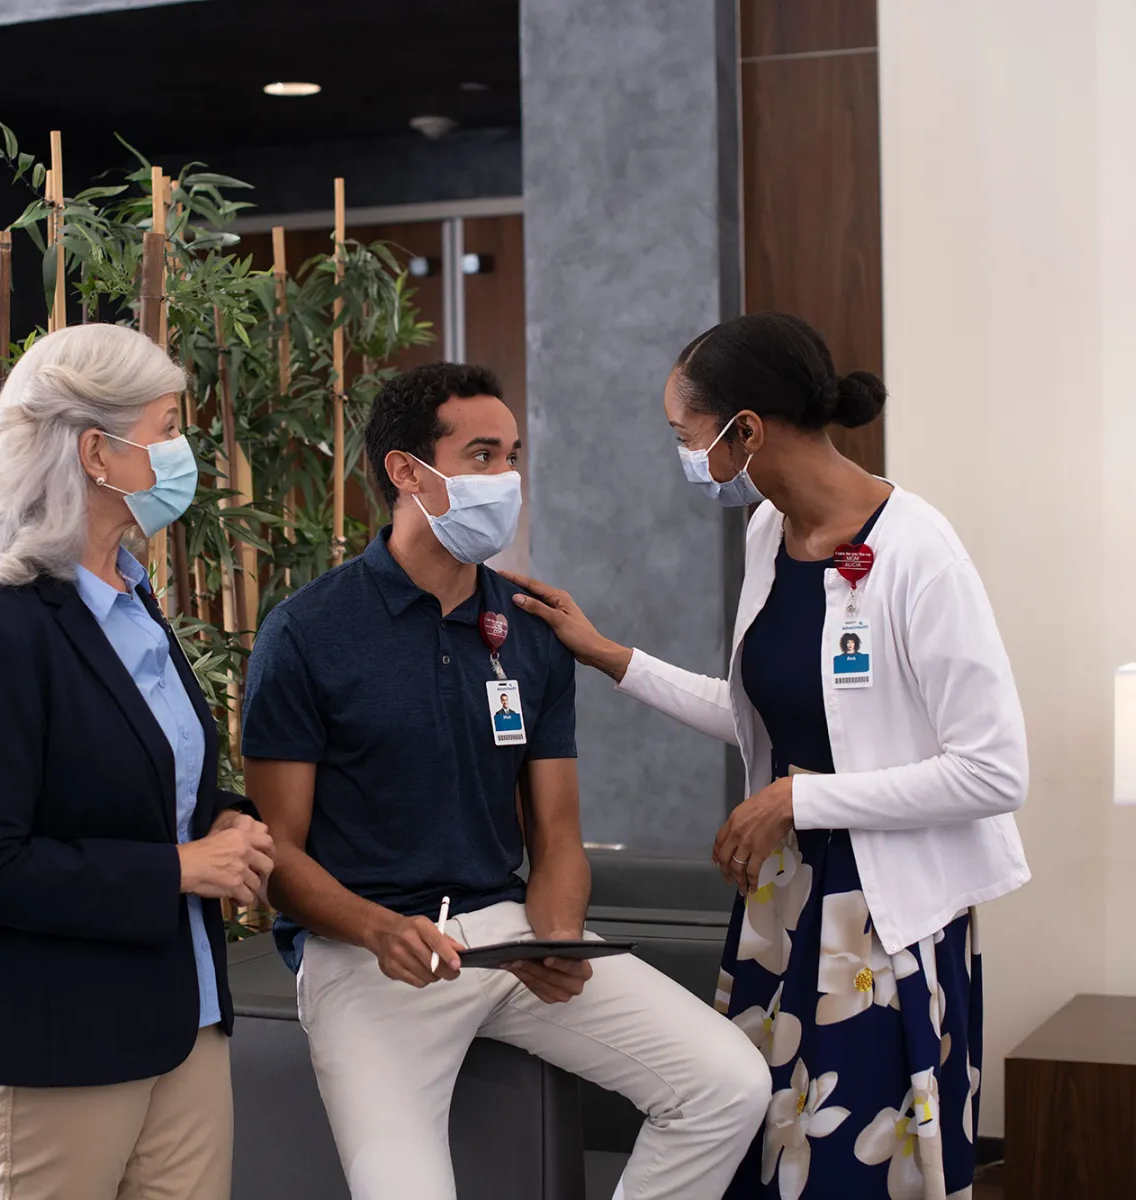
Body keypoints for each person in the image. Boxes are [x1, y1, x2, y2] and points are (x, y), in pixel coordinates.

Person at [505, 313, 1029, 1200]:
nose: (684, 456)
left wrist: (797, 800)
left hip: (882, 922)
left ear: (746, 430)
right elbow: (763, 716)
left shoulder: (918, 550)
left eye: (686, 435)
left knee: (853, 1165)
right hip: (783, 903)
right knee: (767, 1153)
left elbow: (992, 769)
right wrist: (610, 656)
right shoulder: (767, 535)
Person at [242, 362, 771, 1200]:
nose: (505, 478)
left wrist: (555, 939)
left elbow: (558, 835)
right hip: (367, 956)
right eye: (481, 455)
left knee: (728, 1086)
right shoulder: (306, 633)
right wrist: (382, 930)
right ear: (406, 472)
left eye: (512, 455)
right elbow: (278, 857)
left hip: (507, 934)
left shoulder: (526, 631)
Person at [0, 323, 276, 1200]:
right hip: (55, 1039)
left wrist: (218, 817)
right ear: (95, 454)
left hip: (183, 1017)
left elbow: (146, 779)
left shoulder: (134, 596)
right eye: (164, 428)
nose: (184, 452)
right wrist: (182, 868)